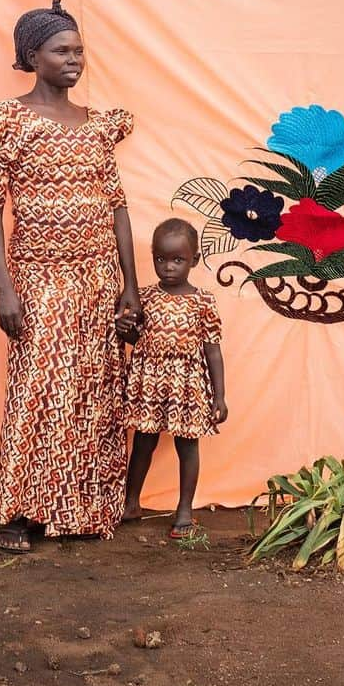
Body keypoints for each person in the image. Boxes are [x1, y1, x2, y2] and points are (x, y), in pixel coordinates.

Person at [0, 0, 140, 551]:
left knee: (93, 391)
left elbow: (117, 207)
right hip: (38, 277)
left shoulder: (97, 127)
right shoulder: (6, 122)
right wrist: (4, 288)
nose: (74, 60)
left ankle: (84, 508)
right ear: (31, 56)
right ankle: (20, 514)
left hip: (96, 281)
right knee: (38, 389)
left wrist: (130, 287)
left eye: (79, 50)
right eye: (61, 51)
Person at [123, 218, 228, 538]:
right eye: (161, 259)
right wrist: (126, 332)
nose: (168, 267)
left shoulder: (203, 301)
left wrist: (219, 396)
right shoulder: (144, 297)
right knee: (142, 443)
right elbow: (137, 338)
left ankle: (184, 509)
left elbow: (213, 350)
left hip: (188, 385)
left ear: (194, 260)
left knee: (188, 446)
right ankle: (131, 501)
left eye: (177, 260)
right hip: (150, 382)